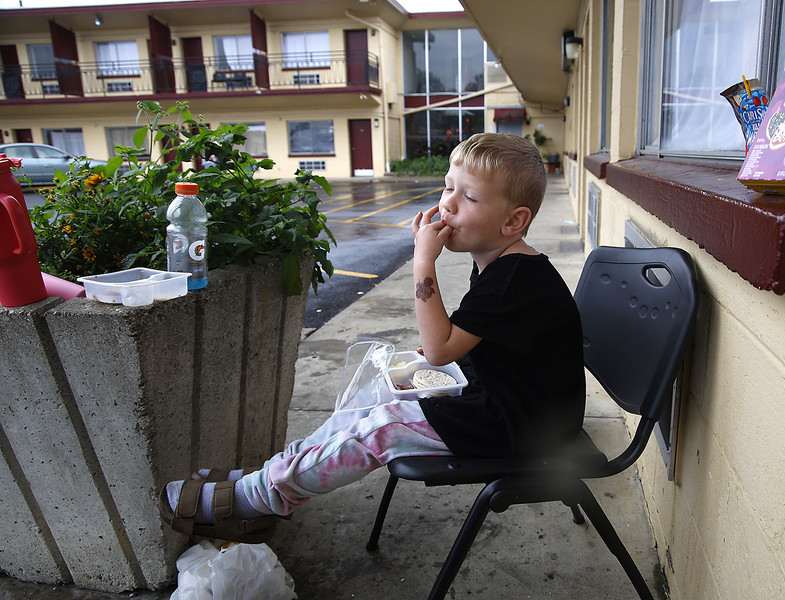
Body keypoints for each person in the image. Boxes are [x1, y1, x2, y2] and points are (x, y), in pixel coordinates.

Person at [160, 133, 586, 543]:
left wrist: (423, 261)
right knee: (380, 390)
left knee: (381, 428)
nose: (447, 205)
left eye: (469, 197)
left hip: (522, 428)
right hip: (503, 400)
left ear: (514, 221)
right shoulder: (504, 265)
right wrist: (441, 356)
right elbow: (493, 343)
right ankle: (277, 470)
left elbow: (441, 349)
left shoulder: (516, 277)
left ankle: (255, 500)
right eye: (448, 187)